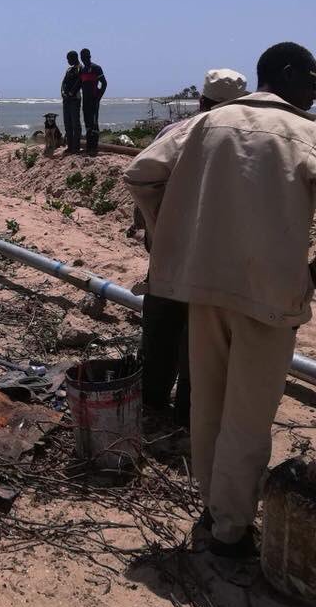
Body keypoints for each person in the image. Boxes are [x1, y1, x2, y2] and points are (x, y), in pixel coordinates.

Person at [125, 42, 316, 559]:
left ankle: (214, 507)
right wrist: (311, 273)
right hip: (270, 294)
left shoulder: (205, 124)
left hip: (203, 286)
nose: (315, 91)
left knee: (208, 401)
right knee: (248, 415)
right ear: (288, 74)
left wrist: (169, 239)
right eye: (312, 79)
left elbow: (141, 173)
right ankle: (230, 530)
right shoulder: (304, 133)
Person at [140, 68, 248, 429]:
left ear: (201, 101)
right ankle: (189, 414)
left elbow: (143, 181)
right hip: (217, 260)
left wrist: (154, 231)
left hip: (170, 252)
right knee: (202, 343)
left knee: (160, 331)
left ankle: (152, 402)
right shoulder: (246, 144)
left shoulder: (174, 132)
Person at [79, 49, 107, 154]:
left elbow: (104, 83)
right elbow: (80, 84)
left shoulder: (96, 68)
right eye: (82, 57)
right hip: (85, 101)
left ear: (90, 56)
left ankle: (94, 147)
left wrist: (98, 97)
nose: (84, 58)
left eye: (86, 56)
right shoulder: (82, 70)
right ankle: (89, 146)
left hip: (94, 100)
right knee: (87, 123)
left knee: (94, 123)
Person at [61, 51, 82, 153]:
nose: (68, 61)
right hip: (66, 99)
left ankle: (76, 147)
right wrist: (63, 93)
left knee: (75, 123)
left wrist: (71, 93)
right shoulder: (69, 70)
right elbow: (63, 82)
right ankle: (70, 146)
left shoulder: (80, 68)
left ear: (74, 58)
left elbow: (79, 82)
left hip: (75, 99)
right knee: (67, 123)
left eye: (69, 59)